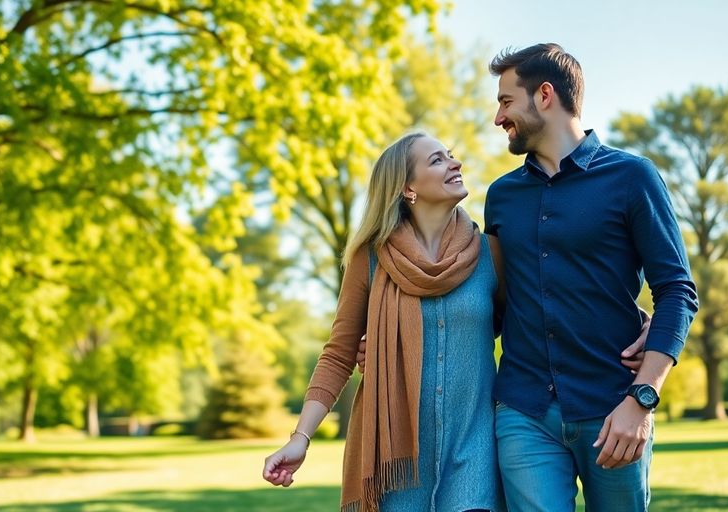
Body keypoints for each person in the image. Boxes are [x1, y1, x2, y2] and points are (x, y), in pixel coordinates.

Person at [485, 43, 699, 511]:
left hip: (614, 407)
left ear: (545, 95)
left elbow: (677, 291)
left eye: (506, 102)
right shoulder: (501, 196)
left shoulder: (632, 177)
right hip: (524, 412)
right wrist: (391, 337)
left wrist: (642, 399)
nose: (498, 118)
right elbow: (493, 308)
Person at [262, 132, 505, 512]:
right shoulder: (370, 258)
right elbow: (338, 354)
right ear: (408, 188)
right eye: (437, 160)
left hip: (475, 455)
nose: (455, 163)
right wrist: (300, 438)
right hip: (396, 470)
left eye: (450, 155)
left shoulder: (489, 253)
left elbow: (524, 324)